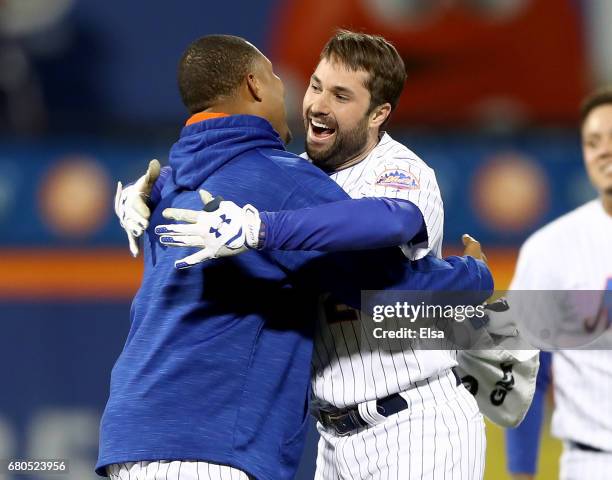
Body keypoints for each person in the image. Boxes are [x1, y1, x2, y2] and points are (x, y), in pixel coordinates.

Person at [98, 34, 493, 480]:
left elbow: (392, 257)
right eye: (315, 86)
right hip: (315, 438)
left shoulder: (395, 170)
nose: (318, 104)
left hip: (414, 421)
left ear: (378, 113)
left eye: (341, 95)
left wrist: (260, 227)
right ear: (255, 87)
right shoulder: (283, 171)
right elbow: (235, 168)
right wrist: (153, 186)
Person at [505, 87, 612, 480]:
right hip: (592, 463)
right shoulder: (551, 248)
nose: (603, 151)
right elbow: (527, 370)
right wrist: (521, 473)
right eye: (592, 142)